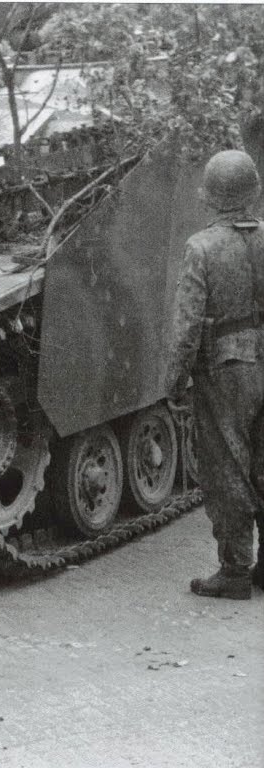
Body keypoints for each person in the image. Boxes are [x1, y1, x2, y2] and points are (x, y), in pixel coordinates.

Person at [165, 149, 264, 600]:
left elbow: (187, 326)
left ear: (211, 198)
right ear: (253, 192)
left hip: (225, 372)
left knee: (227, 467)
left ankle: (235, 570)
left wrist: (175, 381)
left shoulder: (201, 248)